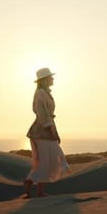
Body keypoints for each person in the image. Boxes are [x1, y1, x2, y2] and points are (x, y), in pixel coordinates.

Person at [24, 67, 70, 198]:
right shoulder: (41, 94)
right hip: (42, 131)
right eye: (51, 77)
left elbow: (47, 115)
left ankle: (37, 189)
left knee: (49, 160)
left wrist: (54, 131)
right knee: (45, 160)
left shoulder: (44, 92)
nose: (53, 78)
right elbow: (41, 113)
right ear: (45, 79)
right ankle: (30, 186)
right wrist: (50, 128)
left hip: (47, 130)